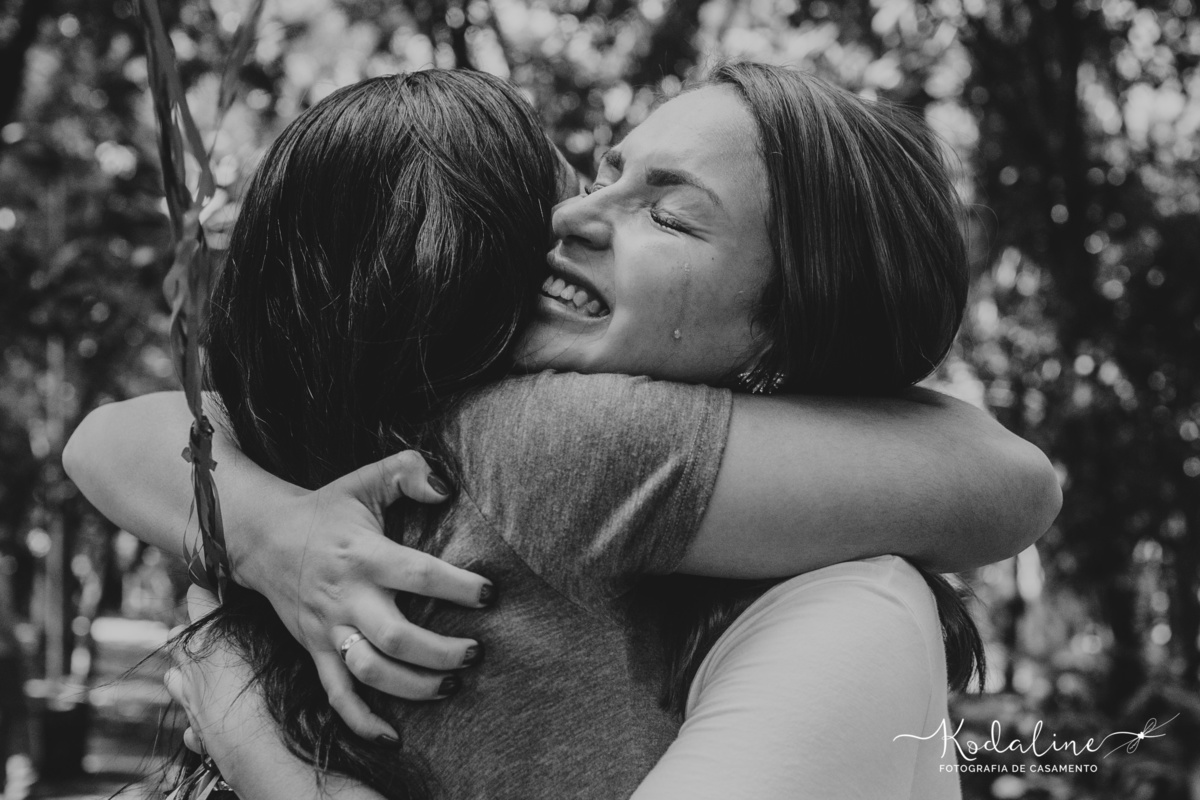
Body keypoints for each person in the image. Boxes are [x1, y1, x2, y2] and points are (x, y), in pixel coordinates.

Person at [66, 65, 1061, 799]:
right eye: (603, 172)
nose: (571, 214)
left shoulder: (541, 435)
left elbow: (113, 437)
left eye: (670, 217)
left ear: (783, 344)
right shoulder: (522, 427)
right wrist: (270, 531)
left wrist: (258, 729)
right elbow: (1012, 482)